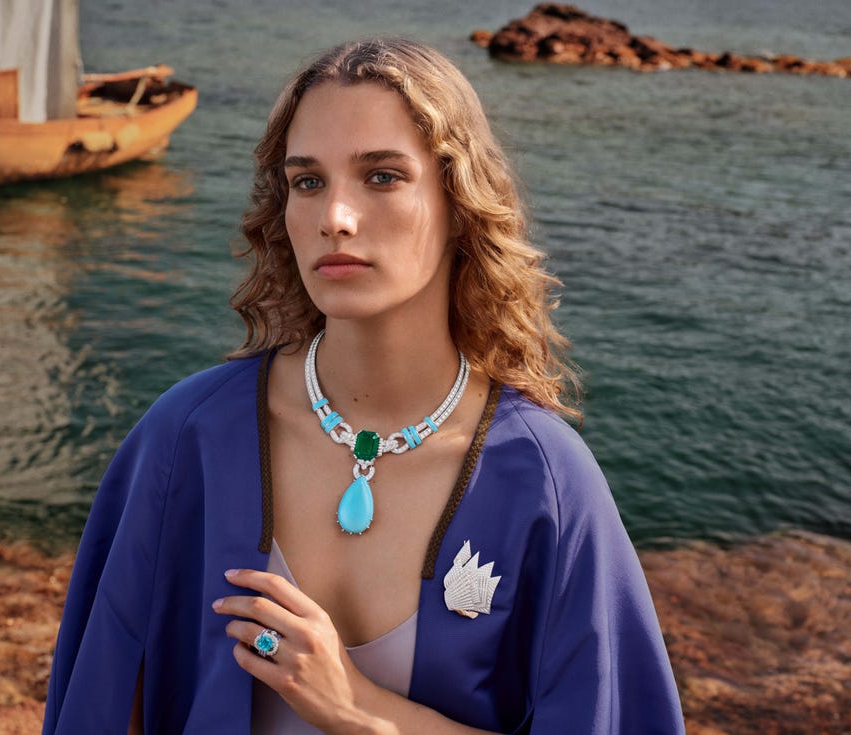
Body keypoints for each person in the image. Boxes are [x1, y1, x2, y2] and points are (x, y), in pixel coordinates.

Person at [43, 38, 684, 734]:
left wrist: (363, 710)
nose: (335, 219)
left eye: (381, 177)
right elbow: (99, 705)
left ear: (459, 202)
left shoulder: (547, 483)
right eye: (308, 181)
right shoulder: (185, 439)